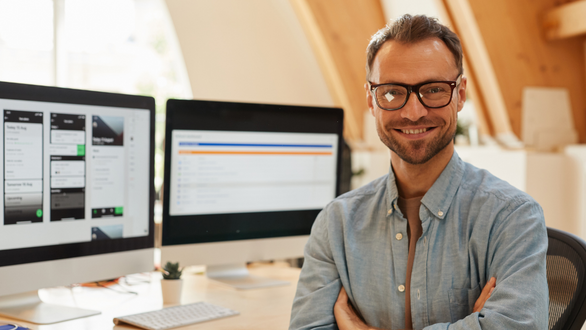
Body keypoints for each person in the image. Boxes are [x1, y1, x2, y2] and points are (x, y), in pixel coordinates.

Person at [289, 14, 548, 330]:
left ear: (460, 94)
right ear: (371, 100)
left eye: (435, 89)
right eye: (392, 92)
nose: (413, 112)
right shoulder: (337, 224)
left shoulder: (513, 217)